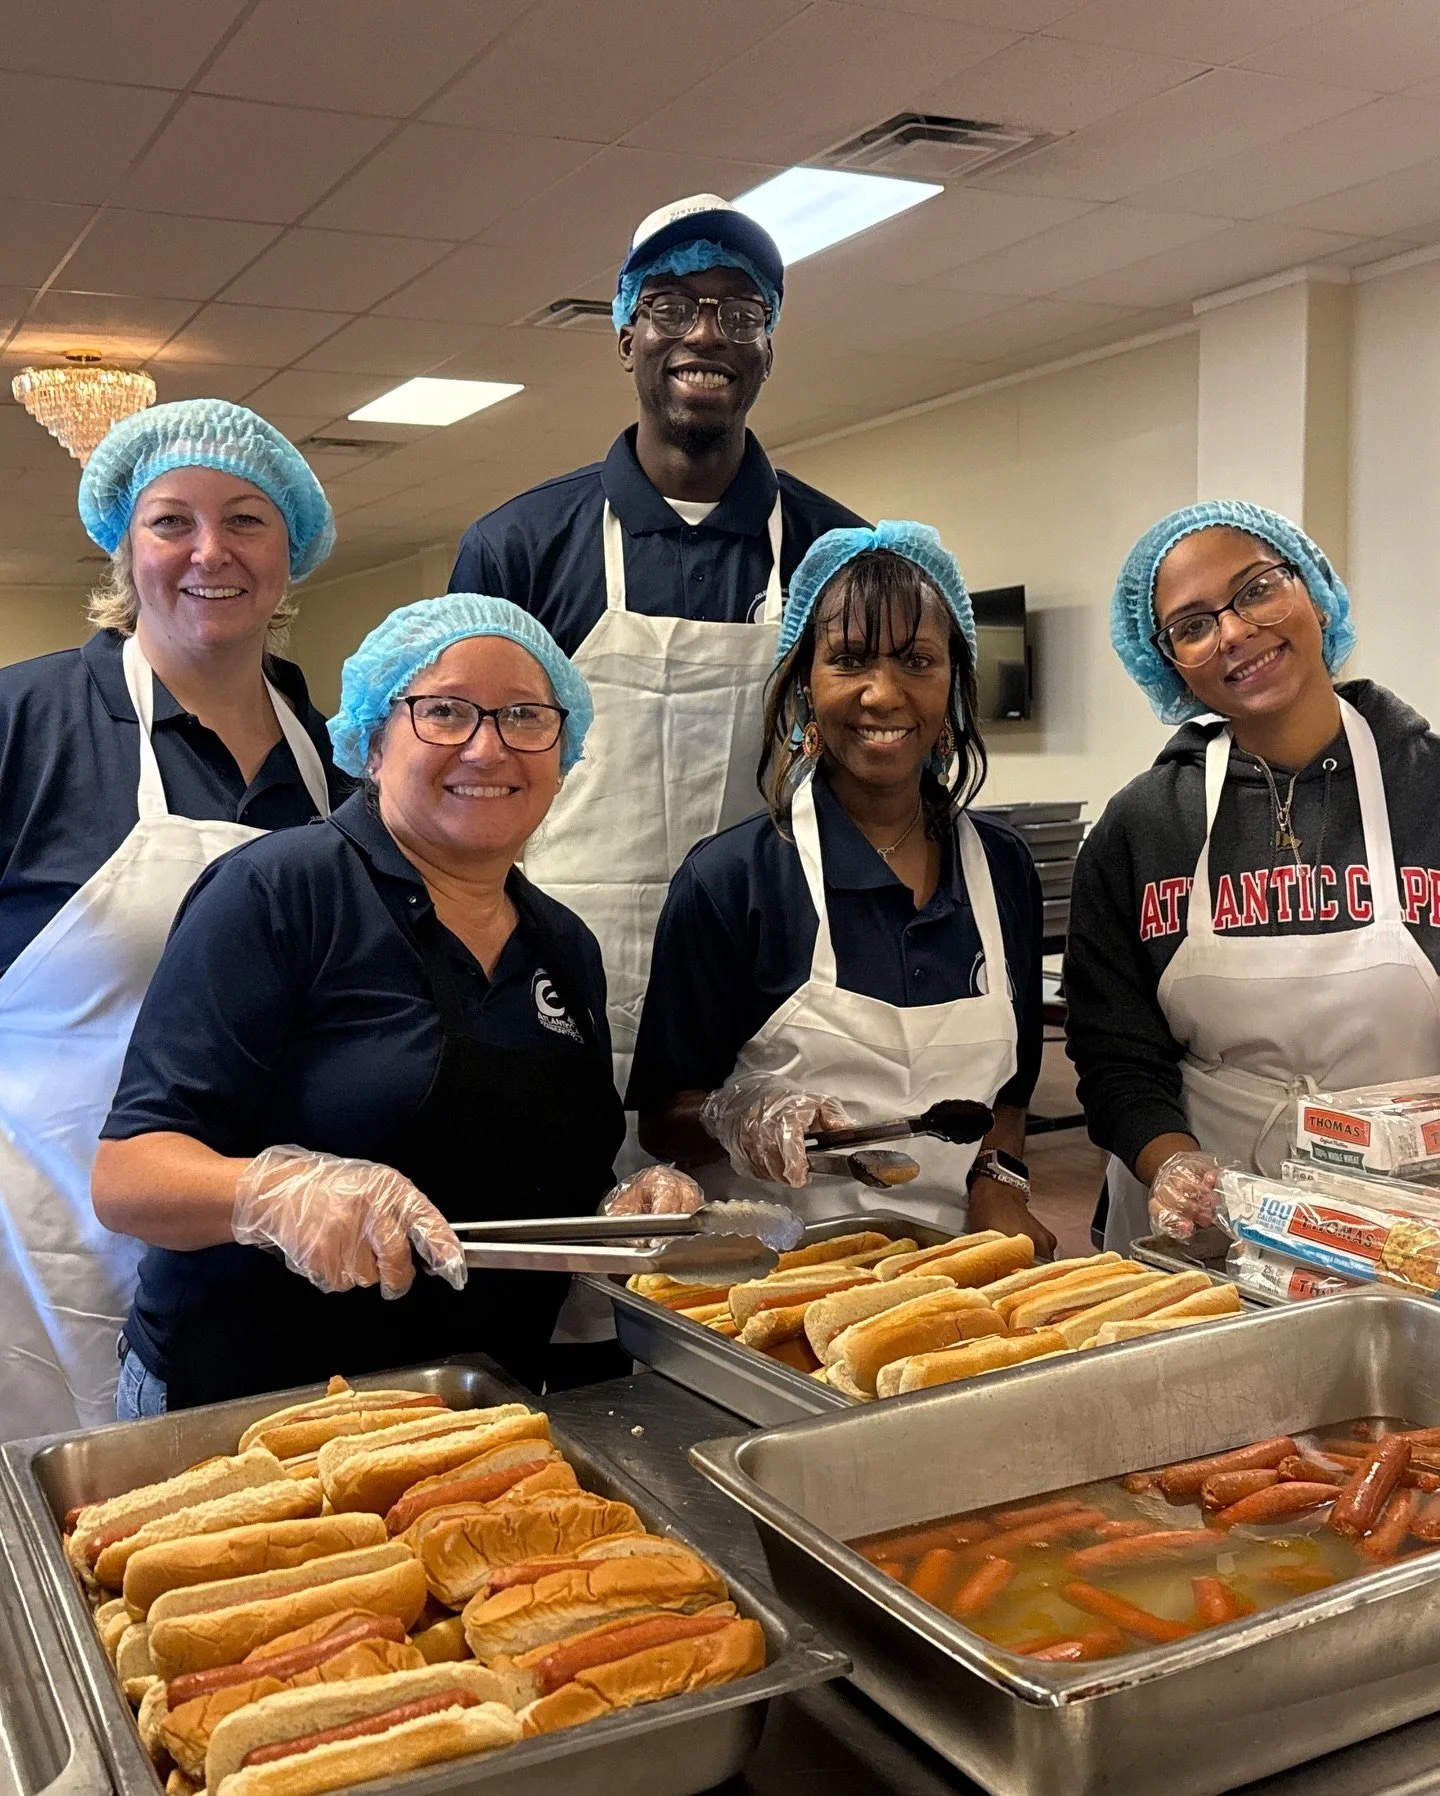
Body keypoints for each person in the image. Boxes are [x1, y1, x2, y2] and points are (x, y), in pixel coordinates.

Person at [91, 596, 687, 1416]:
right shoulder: (279, 892)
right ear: (372, 743)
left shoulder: (563, 944)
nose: (488, 747)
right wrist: (279, 1193)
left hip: (474, 1405)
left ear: (564, 748)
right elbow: (128, 1176)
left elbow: (537, 1172)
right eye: (444, 712)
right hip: (253, 1401)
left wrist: (620, 1211)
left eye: (524, 716)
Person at [449, 193, 866, 1085]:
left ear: (768, 347)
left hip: (774, 979)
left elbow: (874, 780)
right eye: (671, 306)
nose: (705, 333)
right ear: (626, 335)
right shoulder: (519, 548)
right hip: (554, 978)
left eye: (741, 312)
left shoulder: (836, 553)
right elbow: (456, 785)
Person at [0, 399, 343, 1439]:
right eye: (171, 522)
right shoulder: (27, 721)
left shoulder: (334, 760)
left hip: (253, 1252)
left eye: (245, 520)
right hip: (39, 1248)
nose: (209, 551)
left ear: (289, 550)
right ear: (124, 546)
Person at [626, 523, 1054, 1248]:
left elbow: (1009, 1094)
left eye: (918, 661)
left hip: (957, 1263)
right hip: (777, 1262)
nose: (883, 694)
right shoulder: (731, 880)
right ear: (805, 682)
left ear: (954, 683)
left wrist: (999, 1185)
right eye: (849, 660)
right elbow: (663, 1119)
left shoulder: (1002, 867)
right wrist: (740, 1115)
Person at [1065, 500, 1440, 1251]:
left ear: (1316, 593)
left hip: (1414, 1221)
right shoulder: (1141, 827)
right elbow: (1114, 1049)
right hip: (1203, 1226)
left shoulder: (1428, 789)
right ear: (1169, 664)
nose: (1233, 632)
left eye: (1257, 589)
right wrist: (1174, 1168)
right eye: (1192, 626)